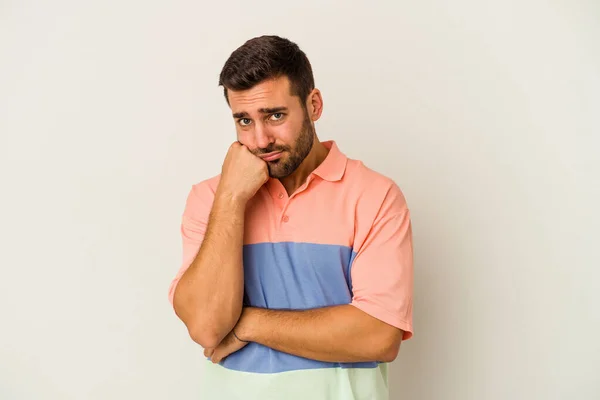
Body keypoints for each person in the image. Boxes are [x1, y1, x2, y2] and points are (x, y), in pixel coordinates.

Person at [168, 35, 414, 400]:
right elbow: (206, 328)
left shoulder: (375, 196)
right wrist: (232, 198)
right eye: (244, 121)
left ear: (313, 105)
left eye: (275, 115)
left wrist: (248, 323)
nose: (261, 139)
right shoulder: (210, 199)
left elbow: (378, 335)